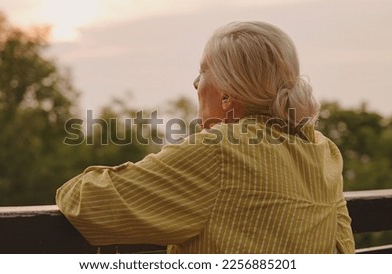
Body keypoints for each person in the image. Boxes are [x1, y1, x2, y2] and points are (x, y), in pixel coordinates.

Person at [56, 21, 355, 253]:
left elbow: (84, 202)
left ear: (226, 95)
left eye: (202, 72)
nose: (195, 83)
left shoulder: (222, 151)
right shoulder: (322, 149)